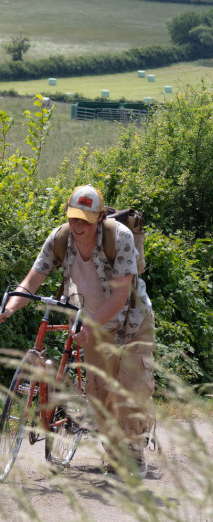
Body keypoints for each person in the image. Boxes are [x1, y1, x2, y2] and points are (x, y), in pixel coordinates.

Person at [0, 185, 154, 476]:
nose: (77, 225)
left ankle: (134, 453)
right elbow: (32, 280)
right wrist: (9, 308)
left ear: (98, 218)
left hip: (133, 322)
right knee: (100, 394)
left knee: (130, 391)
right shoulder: (60, 239)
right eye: (73, 218)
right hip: (92, 319)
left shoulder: (118, 238)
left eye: (84, 219)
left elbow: (120, 297)